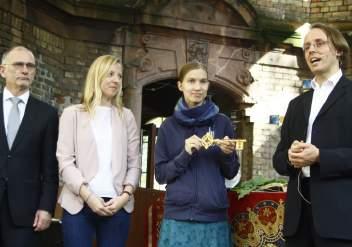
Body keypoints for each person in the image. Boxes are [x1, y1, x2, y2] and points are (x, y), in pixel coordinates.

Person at [273, 23, 352, 247]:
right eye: (306, 47)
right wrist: (290, 156)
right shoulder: (297, 104)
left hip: (340, 220)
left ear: (338, 50)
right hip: (298, 221)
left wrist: (320, 157)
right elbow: (278, 159)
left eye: (319, 44)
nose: (311, 50)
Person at [56, 55, 141, 247]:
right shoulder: (73, 114)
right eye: (110, 74)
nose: (116, 80)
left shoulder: (126, 116)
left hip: (117, 206)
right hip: (79, 204)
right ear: (96, 75)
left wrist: (125, 196)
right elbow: (65, 161)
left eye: (119, 76)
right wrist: (89, 197)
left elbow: (135, 162)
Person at [155, 62, 240, 247]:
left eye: (202, 81)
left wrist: (228, 154)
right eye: (191, 81)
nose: (197, 87)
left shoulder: (222, 123)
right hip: (178, 219)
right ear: (180, 85)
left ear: (208, 85)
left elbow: (232, 172)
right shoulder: (168, 127)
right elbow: (161, 175)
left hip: (214, 219)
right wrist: (184, 154)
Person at [0, 46, 59, 247]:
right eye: (18, 64)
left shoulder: (47, 114)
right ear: (2, 70)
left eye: (30, 66)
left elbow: (50, 168)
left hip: (26, 214)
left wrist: (46, 207)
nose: (25, 70)